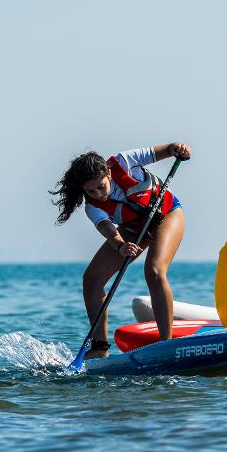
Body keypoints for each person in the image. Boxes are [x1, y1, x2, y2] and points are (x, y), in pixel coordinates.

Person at [50, 143, 190, 359]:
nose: (98, 194)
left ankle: (167, 344)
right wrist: (120, 245)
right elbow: (106, 228)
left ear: (108, 172)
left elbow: (162, 151)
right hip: (134, 229)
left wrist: (177, 149)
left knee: (153, 271)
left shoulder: (124, 162)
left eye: (101, 186)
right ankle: (100, 347)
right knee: (92, 279)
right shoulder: (92, 206)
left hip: (167, 214)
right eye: (91, 191)